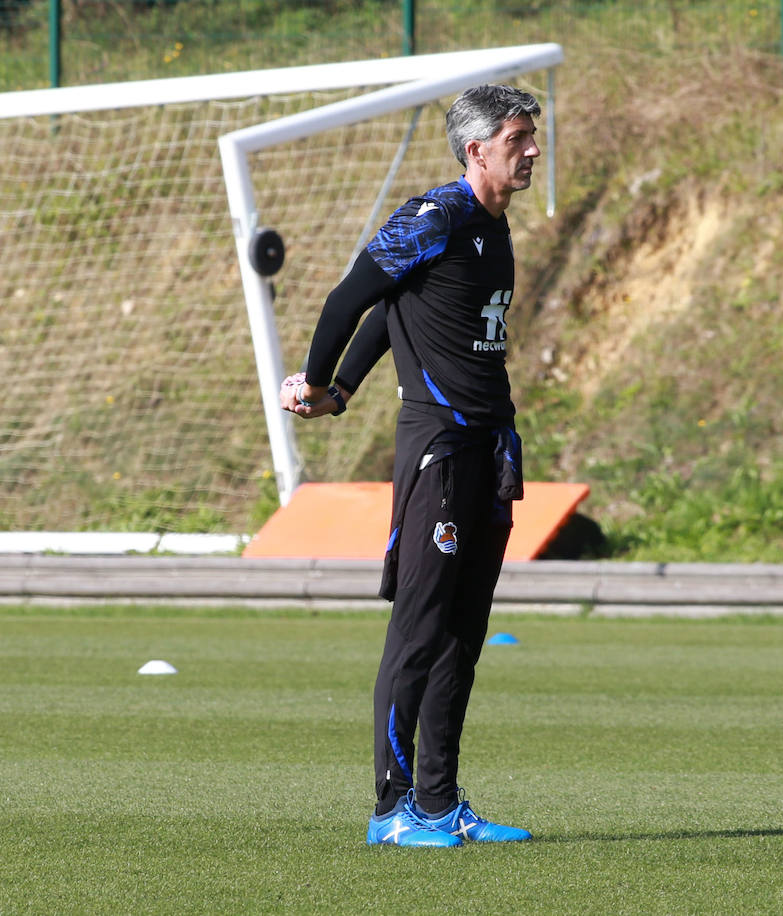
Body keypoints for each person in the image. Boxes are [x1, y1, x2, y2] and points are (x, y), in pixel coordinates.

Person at [278, 84, 542, 848]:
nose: (533, 150)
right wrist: (321, 384)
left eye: (533, 136)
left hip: (489, 447)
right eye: (519, 138)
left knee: (463, 633)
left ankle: (439, 802)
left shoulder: (494, 227)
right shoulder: (436, 215)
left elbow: (397, 311)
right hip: (438, 449)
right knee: (420, 630)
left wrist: (343, 387)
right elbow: (352, 298)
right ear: (477, 150)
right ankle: (391, 810)